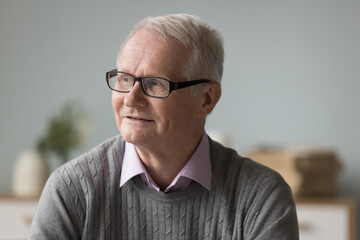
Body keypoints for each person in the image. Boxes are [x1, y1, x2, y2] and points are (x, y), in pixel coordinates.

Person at [29, 13, 299, 239]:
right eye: (124, 79)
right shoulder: (71, 190)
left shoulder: (261, 197)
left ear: (206, 99)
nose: (131, 99)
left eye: (155, 83)